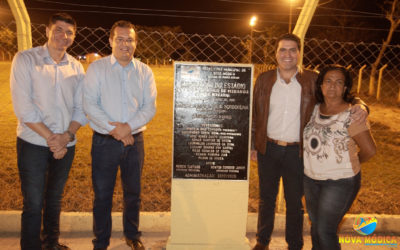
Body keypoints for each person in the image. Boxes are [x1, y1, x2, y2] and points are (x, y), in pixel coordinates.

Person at [251, 33, 368, 250]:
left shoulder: (312, 80)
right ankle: (262, 241)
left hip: (298, 152)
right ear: (275, 53)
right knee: (266, 198)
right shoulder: (264, 79)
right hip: (268, 148)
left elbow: (340, 96)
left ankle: (294, 244)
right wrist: (252, 145)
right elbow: (255, 115)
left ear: (299, 53)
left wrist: (361, 105)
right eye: (283, 50)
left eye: (292, 50)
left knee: (295, 202)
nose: (287, 54)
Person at [10, 13, 87, 250]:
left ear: (73, 37)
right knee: (33, 202)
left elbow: (81, 109)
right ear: (47, 31)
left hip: (66, 144)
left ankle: (51, 244)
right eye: (59, 30)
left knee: (54, 199)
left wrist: (66, 137)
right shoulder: (25, 59)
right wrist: (53, 140)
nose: (63, 36)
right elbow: (24, 108)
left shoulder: (76, 67)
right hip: (33, 143)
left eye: (69, 32)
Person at [83, 20, 157, 250]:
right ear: (111, 41)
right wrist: (117, 130)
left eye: (130, 40)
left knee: (133, 193)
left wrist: (128, 128)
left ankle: (132, 235)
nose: (125, 44)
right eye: (120, 39)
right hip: (104, 142)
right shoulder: (97, 68)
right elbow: (90, 105)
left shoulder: (144, 71)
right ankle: (101, 241)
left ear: (136, 42)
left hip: (135, 142)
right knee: (103, 195)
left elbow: (149, 107)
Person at [303, 65, 376, 250]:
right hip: (311, 180)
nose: (332, 86)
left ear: (345, 88)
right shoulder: (313, 109)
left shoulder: (352, 115)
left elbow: (370, 150)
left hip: (339, 182)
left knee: (325, 230)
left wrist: (349, 164)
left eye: (338, 82)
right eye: (328, 81)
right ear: (320, 86)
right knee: (315, 226)